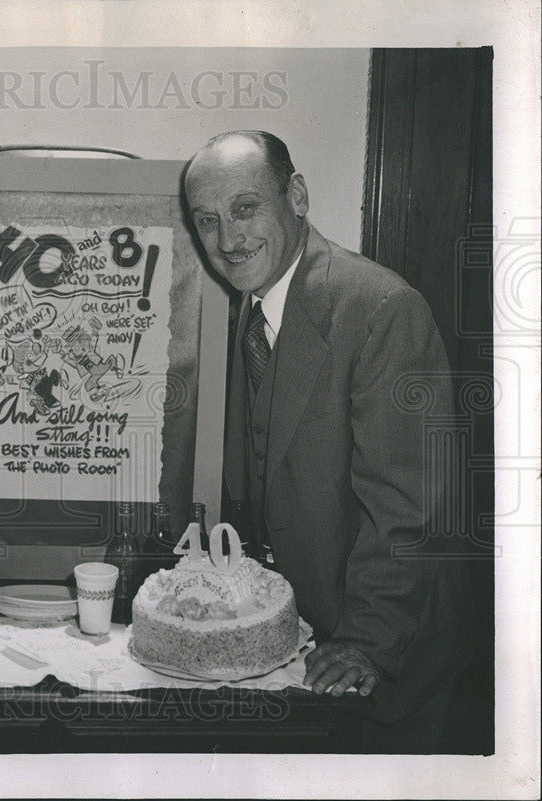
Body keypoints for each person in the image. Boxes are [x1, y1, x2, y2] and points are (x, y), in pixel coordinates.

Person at [184, 131, 469, 752]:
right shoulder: (249, 309)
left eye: (245, 208)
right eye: (207, 221)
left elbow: (412, 511)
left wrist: (367, 643)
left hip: (385, 672)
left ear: (298, 196)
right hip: (298, 651)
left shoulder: (382, 308)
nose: (227, 240)